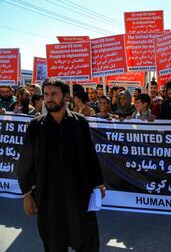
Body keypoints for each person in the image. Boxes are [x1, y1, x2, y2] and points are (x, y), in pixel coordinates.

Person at [17, 78, 105, 251]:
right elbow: (26, 162)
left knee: (86, 239)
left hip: (79, 195)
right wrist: (27, 194)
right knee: (54, 242)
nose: (49, 98)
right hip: (49, 198)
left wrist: (99, 183)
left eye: (54, 94)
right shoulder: (36, 126)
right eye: (46, 94)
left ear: (65, 96)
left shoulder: (80, 123)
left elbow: (90, 155)